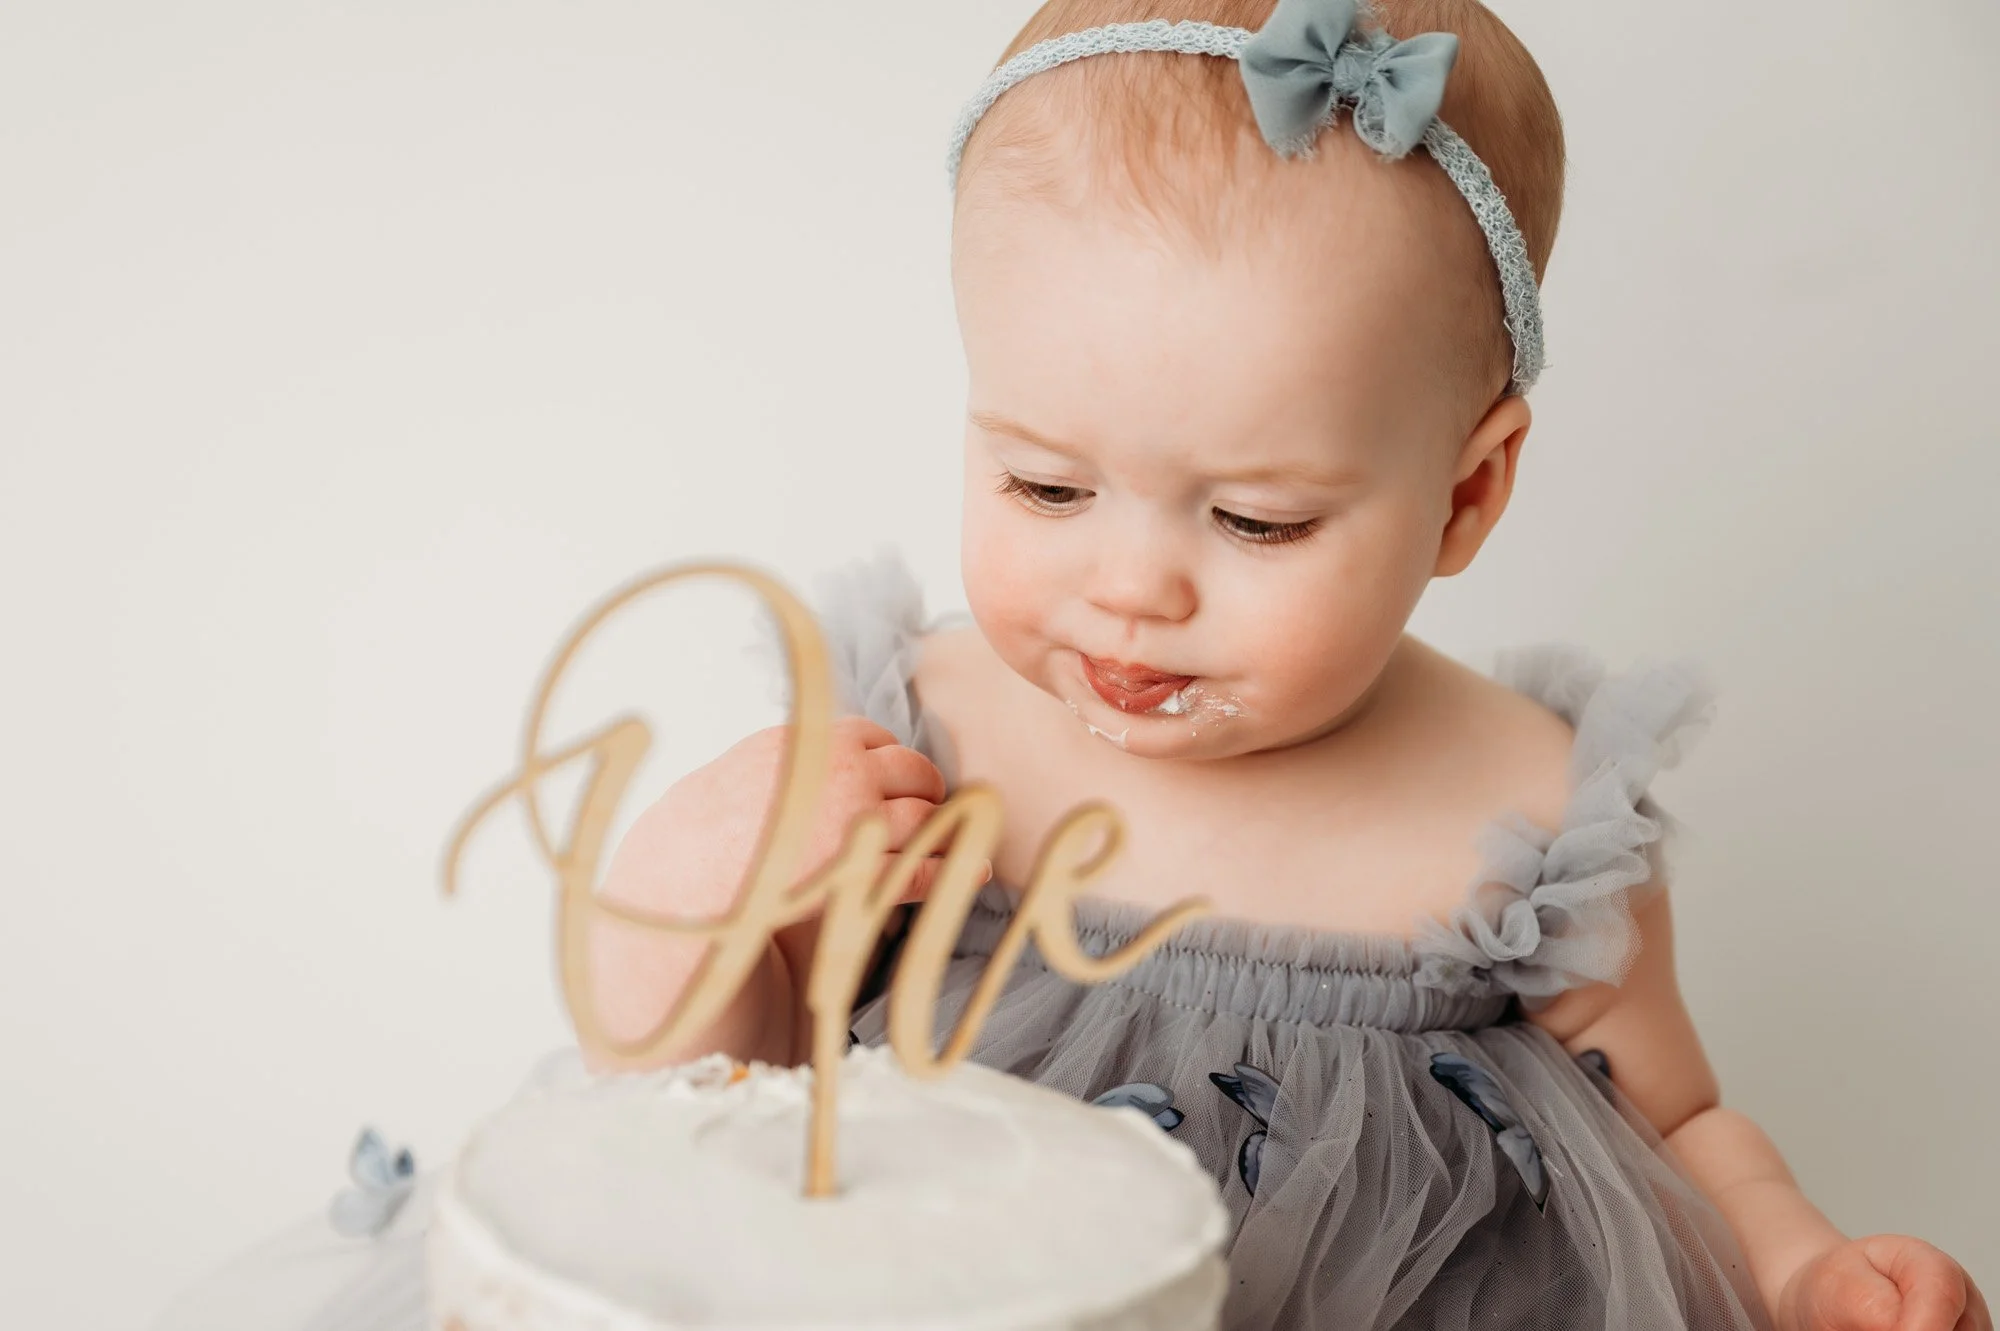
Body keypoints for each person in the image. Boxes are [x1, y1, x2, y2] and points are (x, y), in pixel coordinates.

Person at [155, 1, 1990, 1328]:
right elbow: (703, 1114)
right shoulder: (925, 740)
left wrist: (1802, 1258)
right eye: (1043, 481)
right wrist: (683, 902)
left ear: (1469, 488)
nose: (1129, 593)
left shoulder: (1529, 821)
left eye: (1256, 522)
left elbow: (1677, 1123)